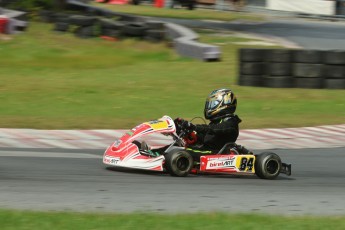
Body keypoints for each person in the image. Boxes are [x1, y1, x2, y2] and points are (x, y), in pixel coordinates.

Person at [140, 88, 251, 157]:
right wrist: (188, 130)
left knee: (181, 151)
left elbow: (215, 130)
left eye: (213, 104)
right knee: (179, 144)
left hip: (213, 154)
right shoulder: (216, 122)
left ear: (225, 104)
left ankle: (158, 156)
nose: (209, 107)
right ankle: (153, 153)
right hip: (205, 150)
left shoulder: (231, 123)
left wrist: (195, 127)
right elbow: (208, 136)